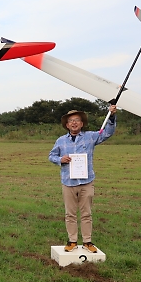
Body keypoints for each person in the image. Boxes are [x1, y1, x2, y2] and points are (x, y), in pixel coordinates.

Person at [48, 105, 117, 253]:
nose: (74, 123)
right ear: (67, 125)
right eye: (71, 121)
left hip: (86, 182)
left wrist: (111, 116)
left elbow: (108, 133)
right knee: (70, 214)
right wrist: (60, 159)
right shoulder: (60, 140)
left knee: (86, 213)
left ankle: (87, 242)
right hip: (68, 182)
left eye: (77, 120)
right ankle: (72, 241)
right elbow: (51, 156)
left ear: (82, 123)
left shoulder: (91, 136)